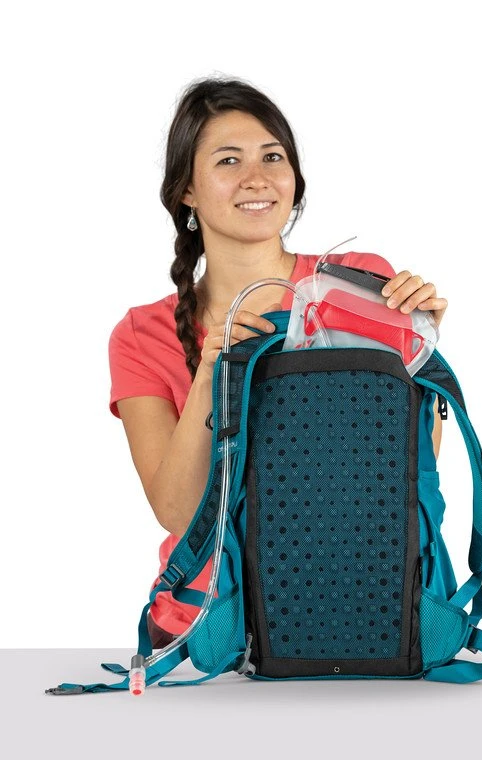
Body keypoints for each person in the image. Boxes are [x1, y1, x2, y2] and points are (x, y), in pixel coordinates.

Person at [108, 76, 449, 649]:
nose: (257, 178)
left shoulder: (357, 283)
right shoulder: (142, 335)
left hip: (364, 603)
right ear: (186, 190)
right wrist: (211, 373)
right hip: (211, 627)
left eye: (272, 157)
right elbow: (177, 512)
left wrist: (421, 351)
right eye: (228, 160)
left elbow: (410, 471)